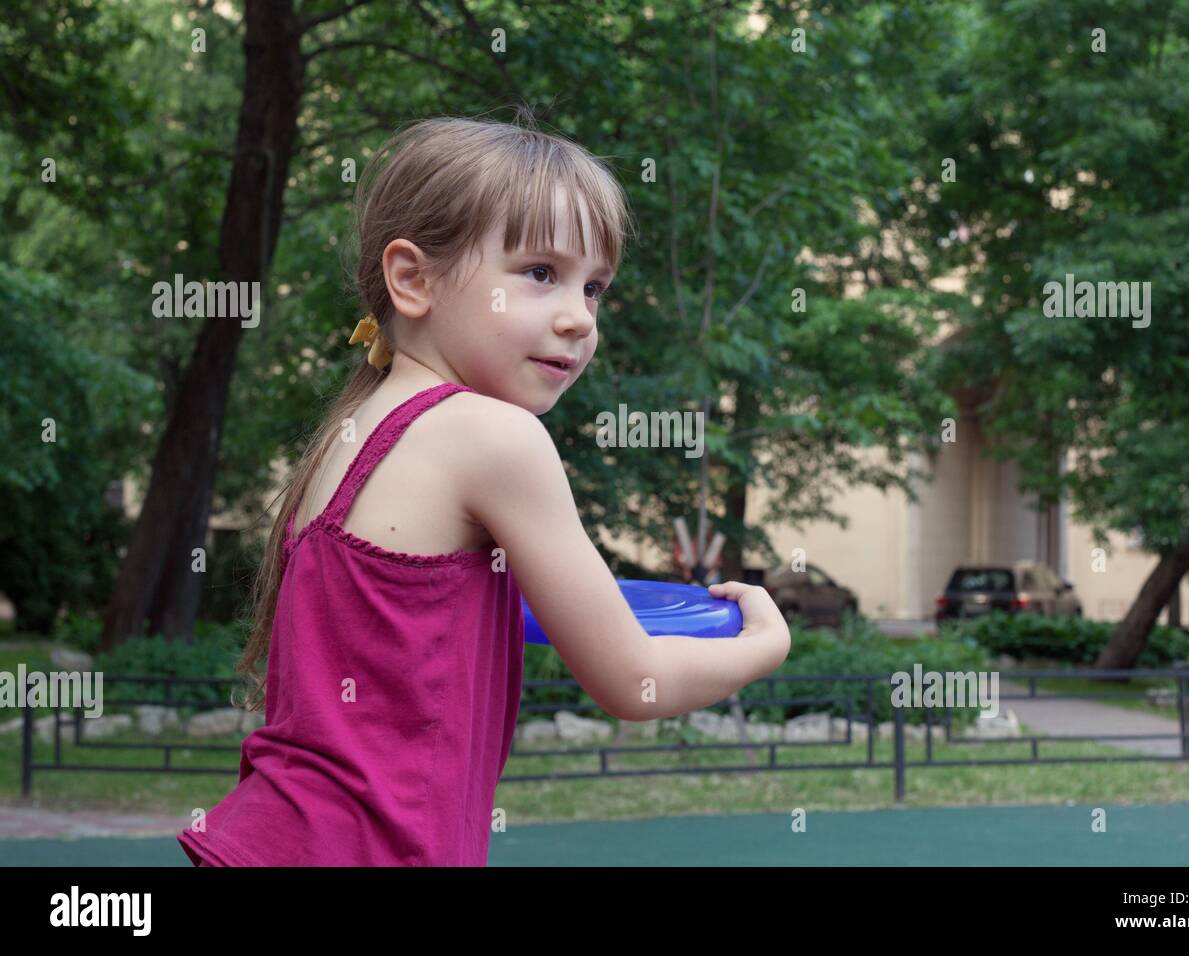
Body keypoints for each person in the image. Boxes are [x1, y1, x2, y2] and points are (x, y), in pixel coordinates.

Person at [177, 114, 790, 868]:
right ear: (413, 279)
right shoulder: (496, 438)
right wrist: (765, 642)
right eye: (540, 273)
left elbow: (409, 628)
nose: (578, 319)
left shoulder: (354, 432)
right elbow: (637, 681)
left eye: (594, 287)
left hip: (274, 839)